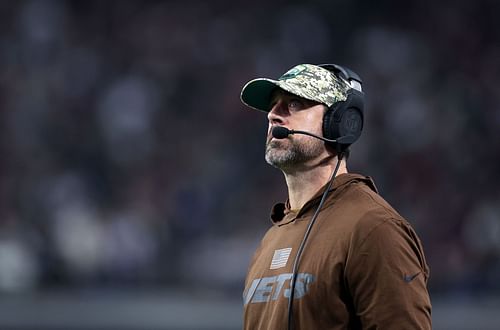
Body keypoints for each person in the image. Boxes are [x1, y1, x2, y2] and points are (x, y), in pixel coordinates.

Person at [239, 63, 431, 330]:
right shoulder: (271, 239)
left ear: (341, 121)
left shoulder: (374, 229)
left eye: (294, 103)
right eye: (273, 105)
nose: (273, 114)